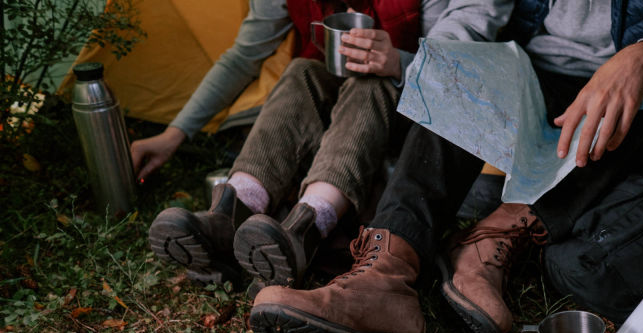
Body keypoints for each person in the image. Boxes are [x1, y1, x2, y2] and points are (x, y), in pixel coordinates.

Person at [247, 0, 643, 333]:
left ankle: (490, 239)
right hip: (530, 76)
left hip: (642, 91)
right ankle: (383, 278)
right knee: (453, 70)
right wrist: (442, 73)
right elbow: (469, 16)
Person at [139, 0, 496, 287]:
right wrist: (174, 134)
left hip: (413, 118)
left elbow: (457, 65)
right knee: (301, 71)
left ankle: (306, 228)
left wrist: (398, 63)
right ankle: (232, 214)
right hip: (334, 116)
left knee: (371, 82)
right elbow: (243, 56)